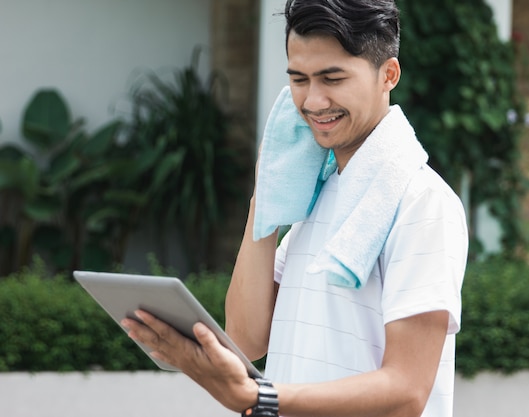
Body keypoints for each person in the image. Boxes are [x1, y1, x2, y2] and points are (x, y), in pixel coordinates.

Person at [122, 1, 468, 416]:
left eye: (332, 78)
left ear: (388, 75)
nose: (313, 101)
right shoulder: (317, 195)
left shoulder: (423, 203)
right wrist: (265, 195)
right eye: (299, 80)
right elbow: (247, 339)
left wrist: (261, 398)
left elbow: (408, 392)